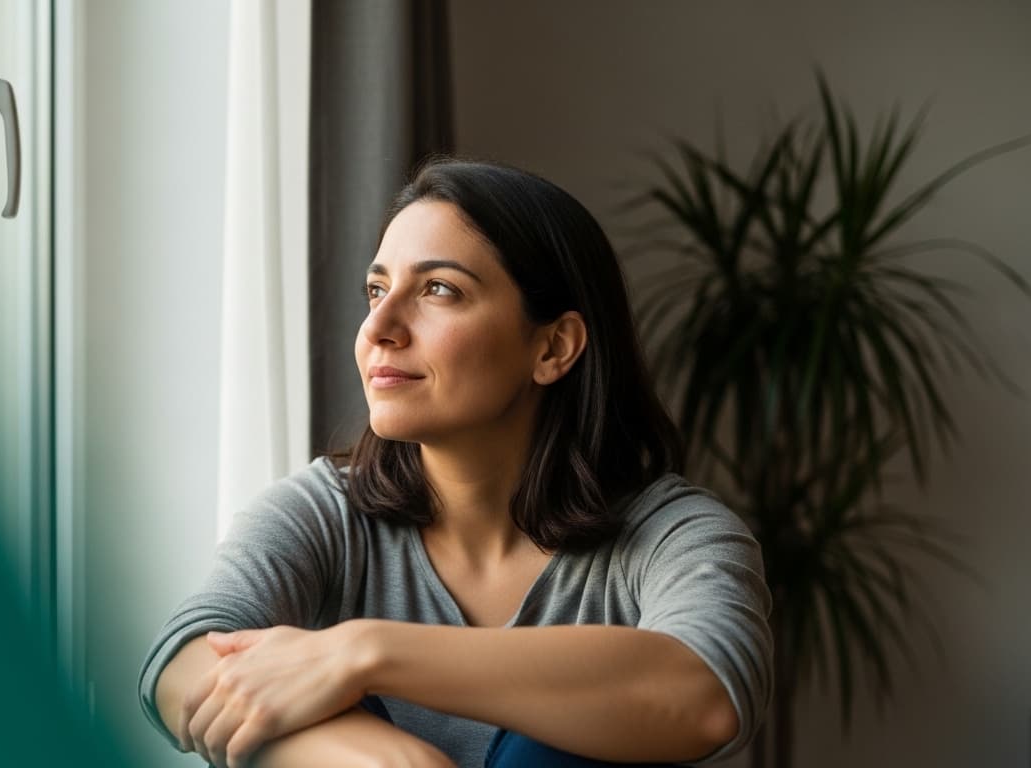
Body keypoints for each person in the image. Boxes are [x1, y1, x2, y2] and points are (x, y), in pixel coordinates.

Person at [137, 159, 772, 767]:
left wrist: (364, 652)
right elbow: (182, 662)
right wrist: (380, 760)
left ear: (553, 347)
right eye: (376, 289)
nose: (379, 326)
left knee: (565, 746)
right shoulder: (328, 511)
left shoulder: (676, 535)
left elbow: (705, 692)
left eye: (439, 290)